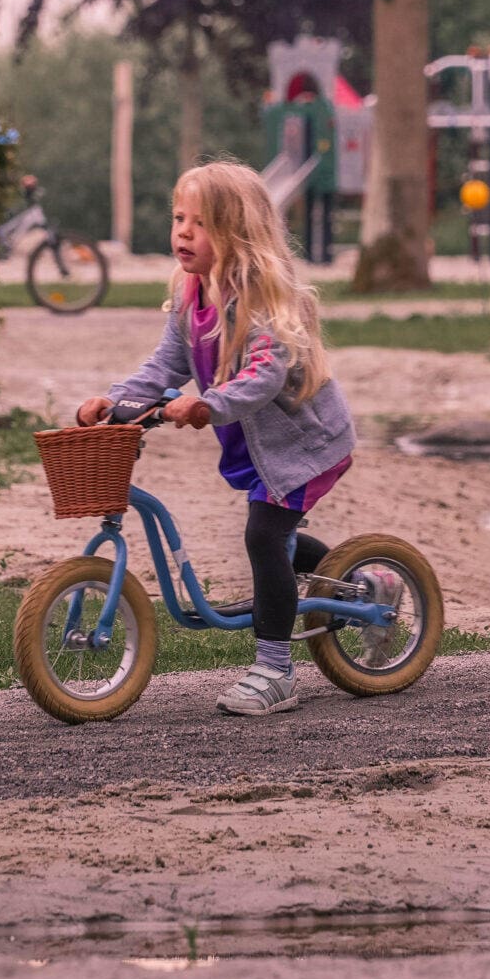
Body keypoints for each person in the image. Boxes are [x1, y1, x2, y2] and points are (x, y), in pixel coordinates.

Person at [77, 162, 354, 716]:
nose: (183, 232)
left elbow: (265, 374)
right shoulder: (191, 297)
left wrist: (209, 404)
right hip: (258, 445)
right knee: (274, 536)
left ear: (236, 233)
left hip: (303, 446)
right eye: (179, 218)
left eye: (200, 224)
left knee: (264, 536)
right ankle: (353, 583)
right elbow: (165, 364)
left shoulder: (263, 298)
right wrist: (114, 399)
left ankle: (275, 671)